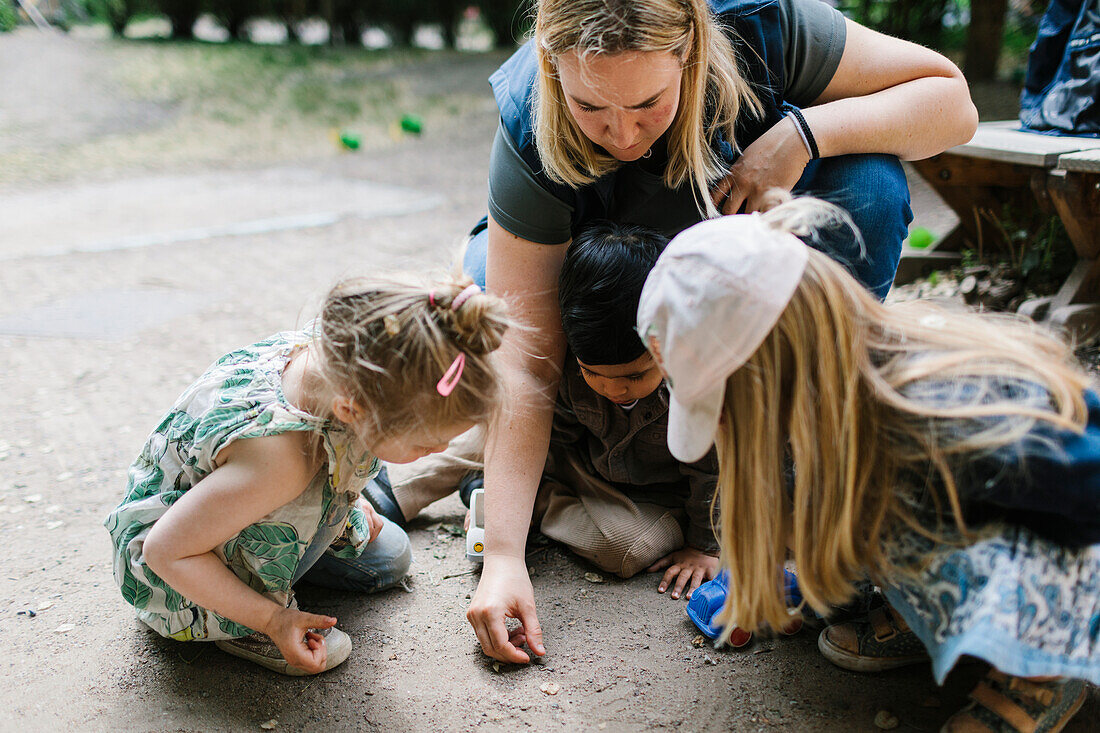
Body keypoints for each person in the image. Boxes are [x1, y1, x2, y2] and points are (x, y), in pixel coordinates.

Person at [463, 0, 979, 664]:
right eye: (592, 109)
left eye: (648, 103)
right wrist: (502, 555)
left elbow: (952, 104)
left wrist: (805, 135)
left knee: (870, 184)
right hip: (609, 265)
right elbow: (527, 362)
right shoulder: (529, 115)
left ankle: (789, 449)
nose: (622, 136)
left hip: (734, 236)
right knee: (497, 298)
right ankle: (574, 461)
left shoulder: (760, 20)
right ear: (551, 66)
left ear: (692, 48)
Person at [635, 196, 1098, 732]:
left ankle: (1038, 671)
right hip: (988, 515)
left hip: (1078, 549)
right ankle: (936, 616)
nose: (723, 425)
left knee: (904, 500)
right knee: (842, 490)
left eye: (723, 402)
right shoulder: (837, 407)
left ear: (772, 368)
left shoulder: (939, 414)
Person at [104, 276, 511, 676]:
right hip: (171, 569)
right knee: (362, 572)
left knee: (391, 556)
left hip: (216, 508)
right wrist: (272, 620)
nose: (438, 452)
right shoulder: (279, 465)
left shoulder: (339, 354)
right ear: (354, 413)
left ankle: (288, 554)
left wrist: (353, 499)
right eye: (426, 444)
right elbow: (163, 552)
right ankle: (238, 621)